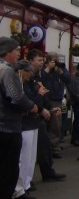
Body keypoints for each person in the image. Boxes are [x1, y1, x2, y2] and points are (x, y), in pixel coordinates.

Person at [0, 37, 37, 199]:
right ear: (7, 52)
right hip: (8, 127)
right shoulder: (7, 71)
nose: (17, 54)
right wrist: (32, 106)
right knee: (9, 169)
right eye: (15, 50)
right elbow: (16, 97)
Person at [26, 49, 66, 183]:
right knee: (28, 152)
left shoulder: (37, 76)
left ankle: (47, 172)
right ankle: (25, 181)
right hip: (27, 118)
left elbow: (44, 94)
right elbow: (29, 98)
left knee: (44, 145)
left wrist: (50, 107)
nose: (41, 63)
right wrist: (42, 109)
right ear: (30, 61)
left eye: (42, 60)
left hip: (38, 117)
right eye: (39, 60)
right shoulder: (26, 76)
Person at [12, 60, 39, 199]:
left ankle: (24, 185)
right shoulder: (15, 83)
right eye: (29, 72)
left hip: (27, 122)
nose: (31, 74)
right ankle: (18, 189)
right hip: (19, 124)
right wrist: (30, 105)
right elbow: (20, 99)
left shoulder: (26, 83)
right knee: (21, 158)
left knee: (28, 157)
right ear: (22, 71)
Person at [41, 52, 71, 145]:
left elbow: (68, 80)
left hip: (57, 100)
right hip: (45, 99)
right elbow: (41, 79)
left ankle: (55, 146)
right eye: (53, 60)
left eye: (56, 60)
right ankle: (49, 146)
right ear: (48, 61)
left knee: (56, 124)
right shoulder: (44, 69)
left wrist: (61, 73)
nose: (55, 63)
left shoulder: (61, 68)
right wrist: (48, 69)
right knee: (48, 124)